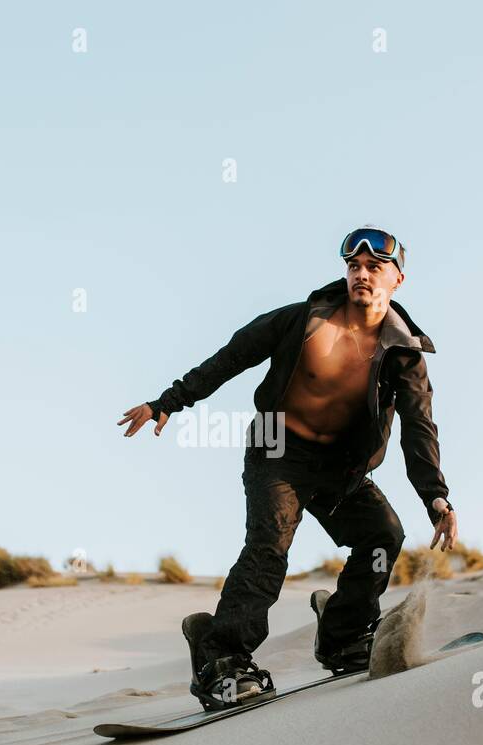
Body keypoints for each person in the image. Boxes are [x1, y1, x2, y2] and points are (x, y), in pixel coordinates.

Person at [117, 226, 457, 711]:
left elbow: (419, 426)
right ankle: (222, 658)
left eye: (374, 268)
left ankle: (341, 634)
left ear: (397, 280)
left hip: (340, 471)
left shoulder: (405, 355)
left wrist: (435, 496)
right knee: (269, 547)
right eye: (354, 267)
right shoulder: (304, 320)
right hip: (277, 451)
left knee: (382, 535)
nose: (361, 275)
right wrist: (169, 402)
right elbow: (233, 356)